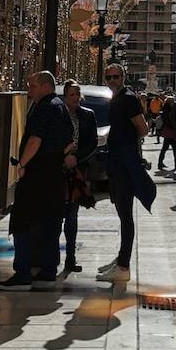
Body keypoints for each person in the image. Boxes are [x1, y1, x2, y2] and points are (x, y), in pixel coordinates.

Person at [0, 70, 74, 291]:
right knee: (50, 221)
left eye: (32, 85)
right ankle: (48, 270)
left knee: (22, 220)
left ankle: (22, 273)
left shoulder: (44, 107)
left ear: (45, 86)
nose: (29, 89)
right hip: (54, 175)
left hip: (37, 174)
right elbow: (68, 141)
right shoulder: (61, 107)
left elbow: (35, 139)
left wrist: (22, 164)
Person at [96, 65, 151, 283]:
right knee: (121, 213)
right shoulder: (118, 98)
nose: (111, 80)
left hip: (124, 164)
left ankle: (123, 266)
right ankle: (121, 258)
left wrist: (128, 144)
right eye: (108, 77)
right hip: (118, 162)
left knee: (126, 215)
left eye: (115, 76)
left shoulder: (127, 98)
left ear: (123, 77)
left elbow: (143, 128)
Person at [61, 79, 98, 274]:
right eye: (71, 95)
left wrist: (76, 158)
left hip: (77, 169)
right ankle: (51, 256)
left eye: (77, 94)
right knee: (57, 214)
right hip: (58, 169)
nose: (74, 98)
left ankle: (70, 257)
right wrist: (63, 156)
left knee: (72, 215)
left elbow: (92, 143)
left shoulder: (87, 115)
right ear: (65, 97)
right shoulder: (58, 115)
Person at [157, 95, 176, 171]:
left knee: (166, 148)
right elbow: (168, 120)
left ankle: (161, 162)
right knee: (174, 148)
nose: (173, 102)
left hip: (169, 131)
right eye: (172, 101)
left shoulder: (167, 109)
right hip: (170, 131)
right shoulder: (168, 110)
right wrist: (174, 126)